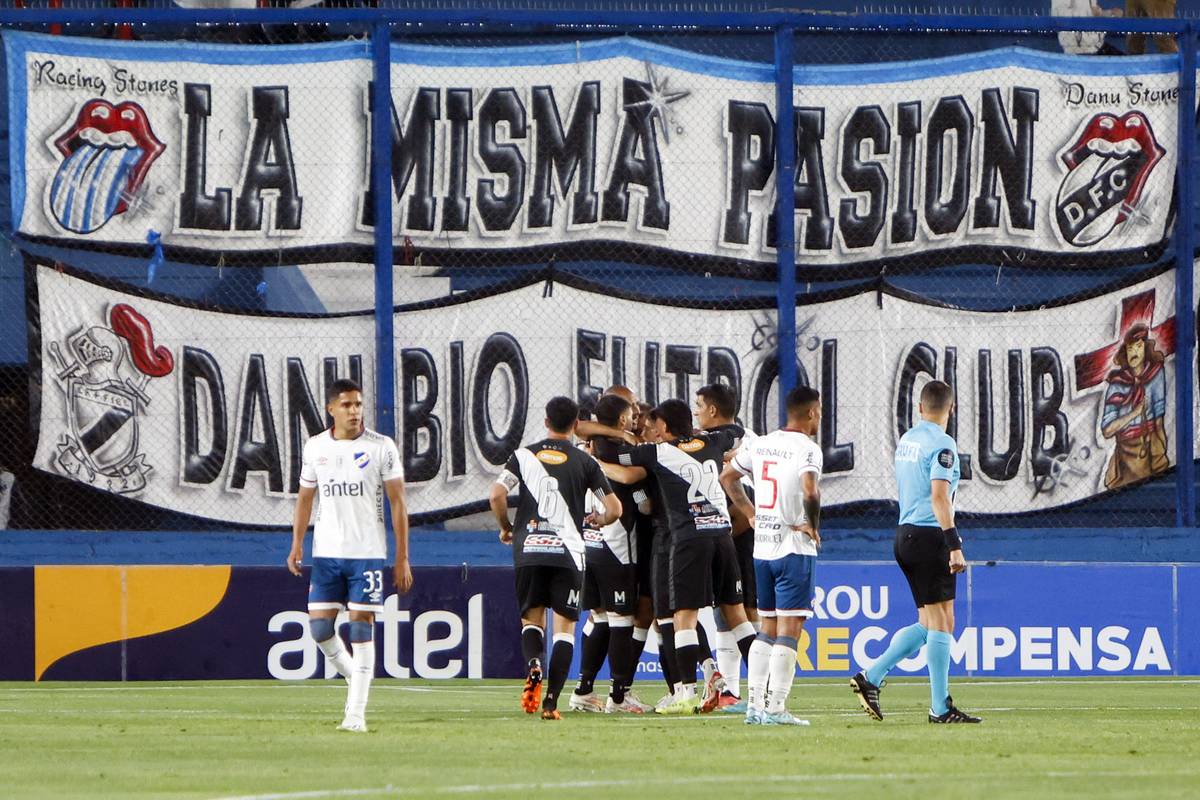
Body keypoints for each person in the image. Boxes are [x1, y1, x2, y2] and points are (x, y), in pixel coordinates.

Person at [849, 380, 981, 724]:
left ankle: (871, 676)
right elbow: (939, 497)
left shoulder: (907, 440)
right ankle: (939, 708)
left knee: (934, 622)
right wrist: (953, 544)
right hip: (929, 536)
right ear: (951, 410)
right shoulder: (943, 445)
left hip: (905, 534)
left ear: (920, 409)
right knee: (941, 623)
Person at [287, 378, 413, 734]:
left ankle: (355, 715)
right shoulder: (315, 448)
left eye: (358, 404)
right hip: (326, 553)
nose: (355, 411)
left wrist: (402, 558)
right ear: (331, 409)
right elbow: (305, 498)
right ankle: (354, 677)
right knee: (320, 628)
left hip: (367, 553)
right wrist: (297, 543)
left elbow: (398, 502)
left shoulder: (381, 447)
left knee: (360, 629)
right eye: (347, 405)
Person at [489, 396, 622, 720]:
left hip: (530, 549)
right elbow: (614, 509)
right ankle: (551, 703)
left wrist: (507, 527)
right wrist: (599, 520)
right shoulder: (586, 462)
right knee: (564, 630)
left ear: (546, 422)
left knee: (532, 621)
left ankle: (534, 664)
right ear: (576, 425)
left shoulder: (522, 456)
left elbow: (496, 494)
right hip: (568, 552)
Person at [618, 399, 740, 715]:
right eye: (639, 424)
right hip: (687, 535)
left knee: (671, 615)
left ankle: (683, 689)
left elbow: (642, 500)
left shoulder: (654, 455)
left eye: (647, 423)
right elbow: (733, 431)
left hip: (669, 539)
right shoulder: (694, 446)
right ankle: (708, 677)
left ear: (662, 426)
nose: (644, 428)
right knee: (669, 617)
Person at [721, 385, 823, 727]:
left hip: (761, 547)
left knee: (766, 626)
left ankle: (754, 706)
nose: (819, 418)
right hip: (793, 547)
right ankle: (776, 708)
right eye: (819, 412)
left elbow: (727, 477)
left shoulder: (761, 444)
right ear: (810, 413)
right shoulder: (807, 449)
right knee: (790, 628)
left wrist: (751, 512)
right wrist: (812, 523)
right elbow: (810, 489)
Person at [571, 394, 654, 714]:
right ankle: (618, 697)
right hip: (617, 547)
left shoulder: (587, 447)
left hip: (590, 543)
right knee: (622, 619)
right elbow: (643, 502)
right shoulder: (624, 453)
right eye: (631, 411)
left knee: (599, 616)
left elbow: (581, 428)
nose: (636, 416)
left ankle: (582, 691)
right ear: (621, 419)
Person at [694, 382, 761, 712]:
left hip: (739, 532)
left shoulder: (727, 440)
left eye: (699, 405)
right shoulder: (747, 438)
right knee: (732, 611)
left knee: (740, 611)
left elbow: (739, 496)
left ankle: (754, 689)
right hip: (740, 532)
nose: (695, 411)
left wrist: (721, 534)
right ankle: (738, 691)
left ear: (712, 410)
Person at [1100, 323, 1169, 490]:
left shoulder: (1156, 374)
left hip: (1151, 446)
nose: (1134, 353)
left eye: (1138, 346)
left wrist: (1161, 451)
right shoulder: (1117, 384)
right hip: (1126, 453)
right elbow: (1107, 430)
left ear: (1146, 348)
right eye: (1130, 348)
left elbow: (1158, 422)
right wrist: (1133, 414)